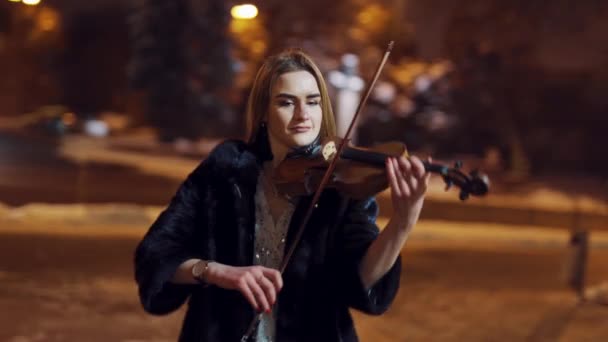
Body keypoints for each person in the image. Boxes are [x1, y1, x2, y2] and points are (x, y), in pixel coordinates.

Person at [134, 49, 430, 341]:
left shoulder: (339, 183)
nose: (303, 114)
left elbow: (360, 283)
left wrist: (401, 224)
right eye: (287, 103)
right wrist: (217, 272)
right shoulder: (225, 169)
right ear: (264, 112)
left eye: (312, 102)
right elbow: (155, 253)